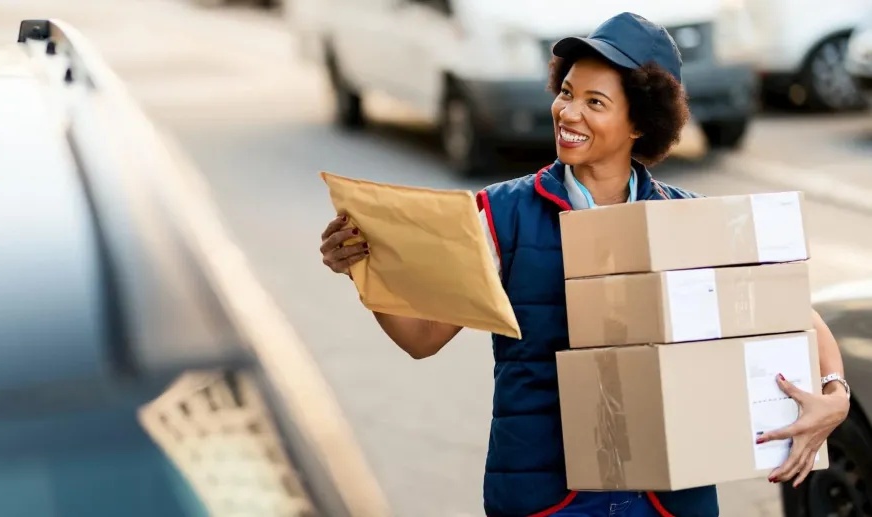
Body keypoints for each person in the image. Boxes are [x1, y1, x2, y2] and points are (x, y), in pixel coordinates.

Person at [318, 12, 851, 517]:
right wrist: (364, 271)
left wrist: (835, 395)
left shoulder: (687, 219)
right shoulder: (501, 215)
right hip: (547, 496)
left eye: (595, 102)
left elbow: (796, 315)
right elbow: (423, 337)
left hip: (666, 499)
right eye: (567, 93)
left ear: (640, 122)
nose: (569, 113)